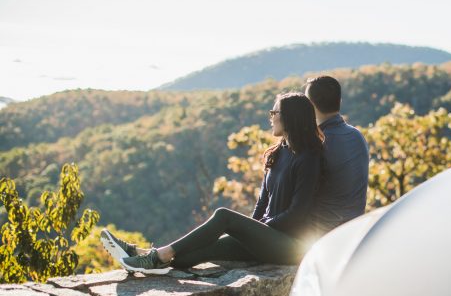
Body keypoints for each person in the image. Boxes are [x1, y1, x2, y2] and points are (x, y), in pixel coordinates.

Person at [101, 92, 323, 274]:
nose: (271, 117)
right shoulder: (277, 153)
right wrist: (251, 231)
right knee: (199, 252)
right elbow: (261, 203)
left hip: (290, 246)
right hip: (265, 237)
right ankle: (142, 255)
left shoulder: (309, 158)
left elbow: (297, 213)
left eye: (275, 112)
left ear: (291, 117)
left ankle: (159, 255)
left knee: (224, 215)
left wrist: (258, 230)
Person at [304, 76, 369, 237]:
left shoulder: (317, 141)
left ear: (310, 105)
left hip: (320, 234)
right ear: (339, 101)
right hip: (353, 229)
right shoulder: (357, 136)